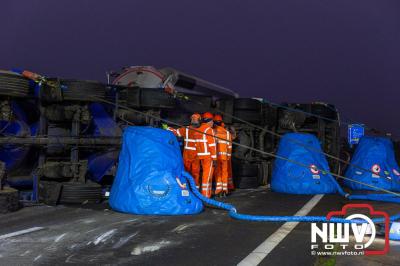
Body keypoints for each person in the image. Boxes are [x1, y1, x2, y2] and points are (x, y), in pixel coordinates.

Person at [175, 113, 202, 189]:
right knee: (195, 173)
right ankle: (195, 189)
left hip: (187, 155)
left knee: (185, 172)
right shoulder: (202, 130)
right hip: (196, 155)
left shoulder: (186, 129)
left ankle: (185, 187)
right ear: (199, 120)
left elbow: (176, 132)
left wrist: (167, 128)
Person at [194, 112, 217, 198]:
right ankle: (206, 195)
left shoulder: (198, 129)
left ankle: (206, 193)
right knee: (207, 176)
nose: (213, 123)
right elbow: (212, 145)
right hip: (208, 157)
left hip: (201, 156)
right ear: (210, 121)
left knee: (204, 175)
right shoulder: (209, 130)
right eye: (212, 121)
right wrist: (214, 158)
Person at [213, 114, 232, 196]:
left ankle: (218, 190)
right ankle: (225, 190)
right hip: (225, 157)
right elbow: (230, 146)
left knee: (218, 173)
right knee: (225, 172)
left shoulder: (213, 132)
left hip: (217, 157)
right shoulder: (227, 133)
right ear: (221, 122)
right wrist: (228, 156)